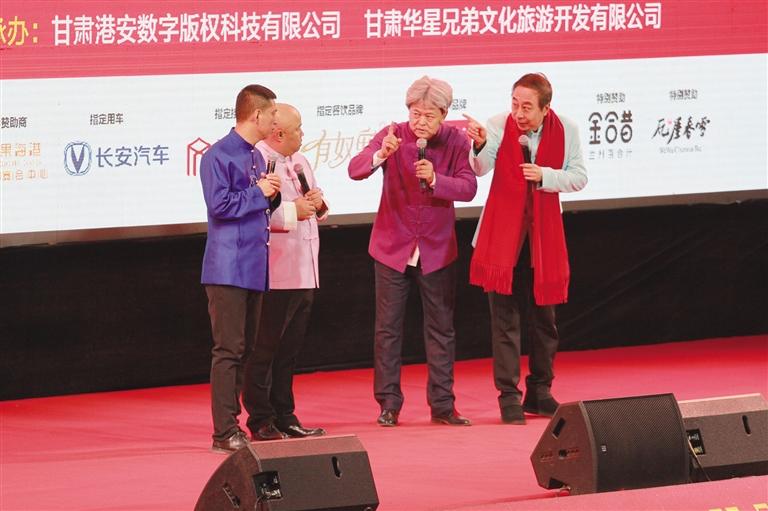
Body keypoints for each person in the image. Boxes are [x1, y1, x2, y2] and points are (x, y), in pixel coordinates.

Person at [348, 76, 478, 427]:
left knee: (441, 329)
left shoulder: (457, 141)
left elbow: (468, 188)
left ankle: (443, 405)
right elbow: (355, 169)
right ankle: (388, 404)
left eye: (428, 116)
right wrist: (381, 154)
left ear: (444, 114)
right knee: (387, 329)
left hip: (436, 249)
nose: (420, 122)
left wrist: (436, 179)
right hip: (392, 247)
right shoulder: (392, 134)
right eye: (415, 114)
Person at [464, 73, 587, 425]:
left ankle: (540, 391)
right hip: (502, 238)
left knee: (545, 321)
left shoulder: (567, 129)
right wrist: (479, 145)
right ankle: (508, 395)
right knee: (505, 321)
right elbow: (480, 168)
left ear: (546, 108)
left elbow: (579, 177)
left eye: (527, 107)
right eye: (515, 104)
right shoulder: (496, 125)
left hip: (542, 241)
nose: (518, 113)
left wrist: (545, 175)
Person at [199, 84, 283, 452]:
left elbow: (257, 204)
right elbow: (219, 206)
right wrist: (259, 193)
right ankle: (224, 431)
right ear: (256, 114)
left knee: (245, 349)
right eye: (272, 114)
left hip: (253, 266)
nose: (275, 121)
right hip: (227, 267)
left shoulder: (257, 156)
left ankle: (235, 425)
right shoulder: (218, 155)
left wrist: (271, 195)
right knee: (228, 350)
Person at [249, 103, 328, 439]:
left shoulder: (299, 161)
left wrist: (318, 204)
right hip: (276, 271)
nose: (302, 134)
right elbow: (256, 214)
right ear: (279, 133)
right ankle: (260, 418)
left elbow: (315, 207)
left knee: (289, 351)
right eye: (298, 129)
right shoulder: (257, 160)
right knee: (264, 350)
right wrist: (295, 210)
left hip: (305, 269)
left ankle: (285, 414)